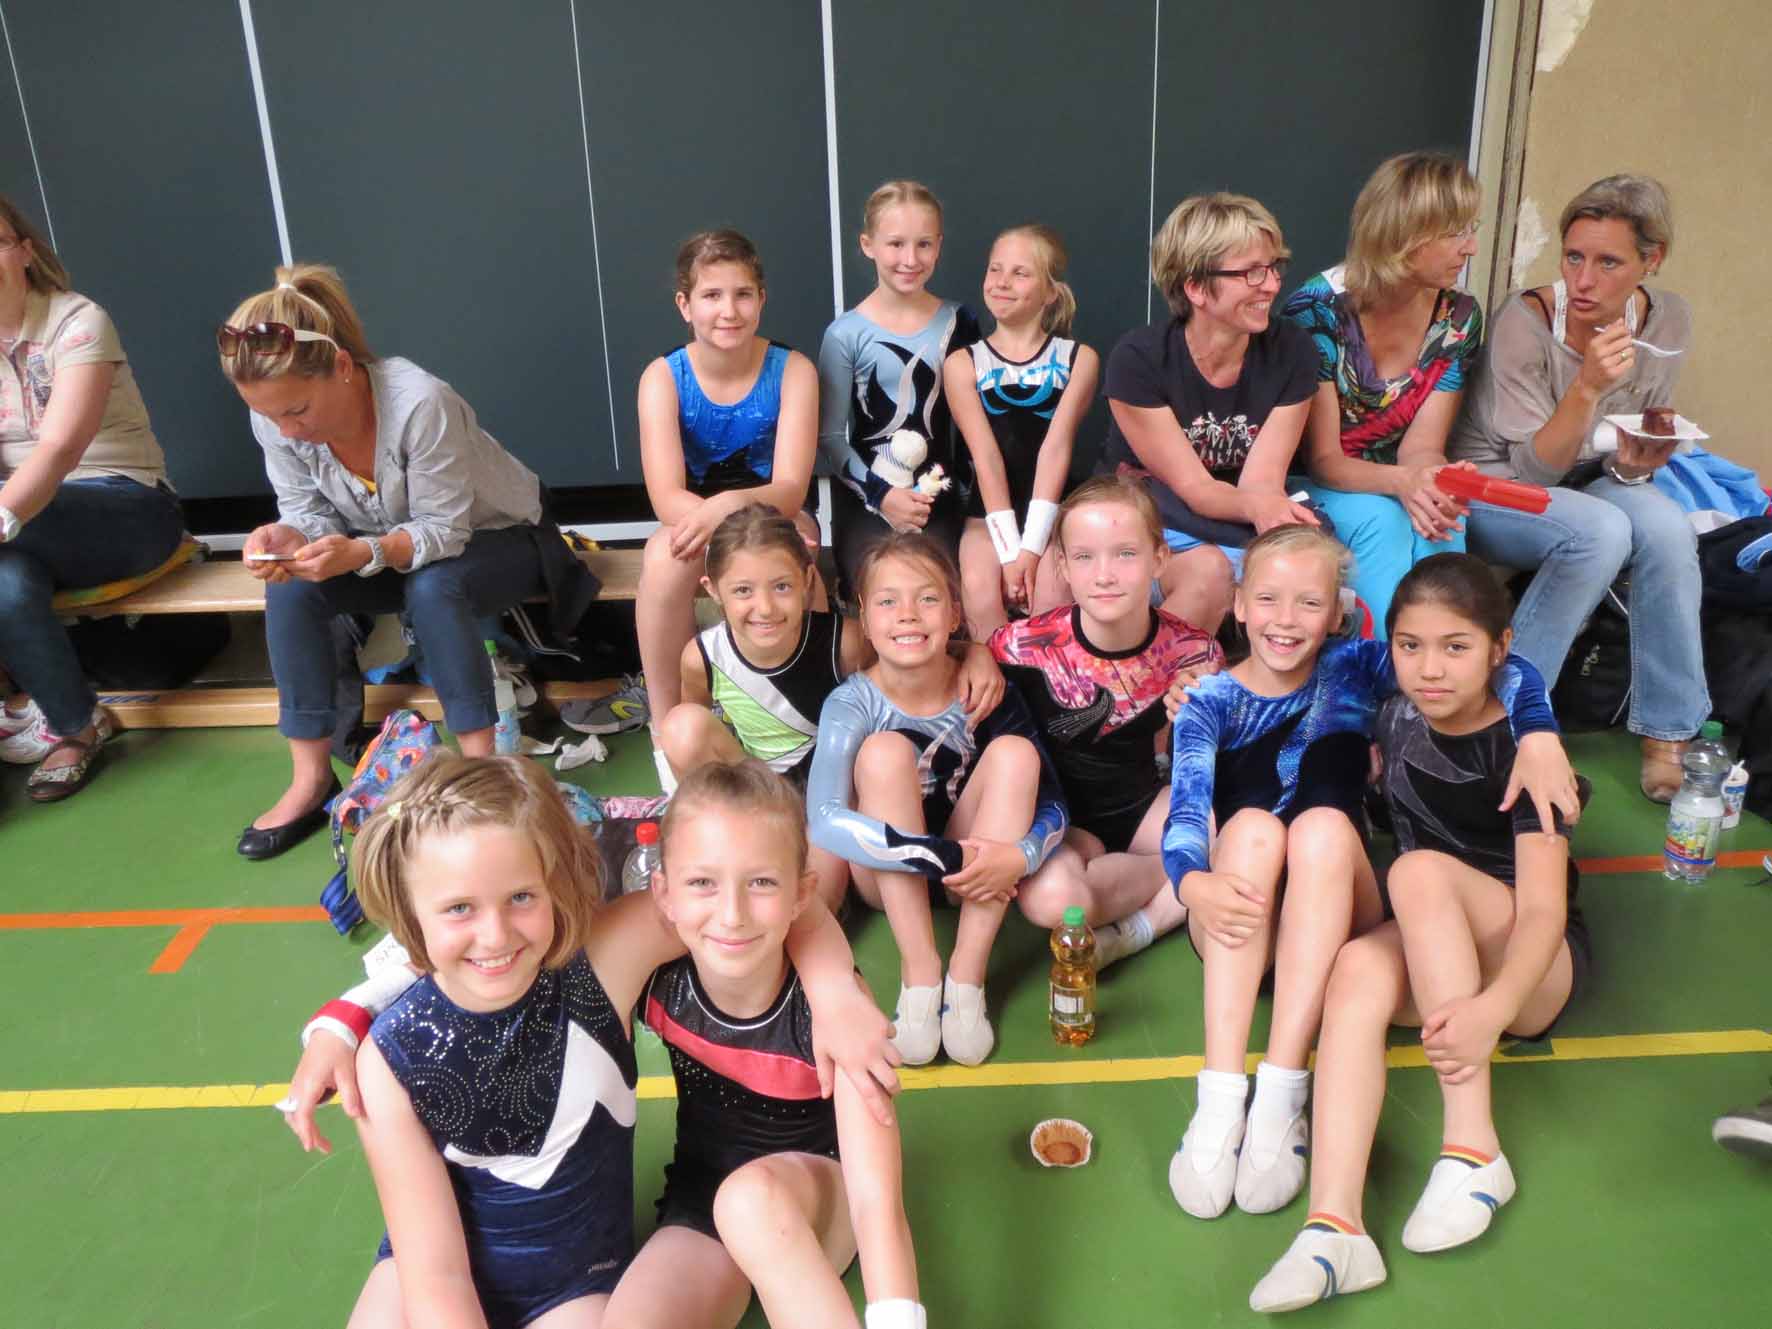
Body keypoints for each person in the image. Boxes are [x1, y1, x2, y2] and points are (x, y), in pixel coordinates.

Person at [285, 754, 895, 1328]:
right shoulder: (386, 1063)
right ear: (411, 911)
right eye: (460, 909)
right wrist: (343, 1019)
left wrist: (834, 989)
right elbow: (433, 1274)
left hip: (574, 1289)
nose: (495, 935)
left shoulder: (606, 958)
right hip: (425, 1275)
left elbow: (768, 903)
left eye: (521, 897)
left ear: (555, 884)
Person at [1162, 525, 1573, 1224]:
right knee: (1255, 828)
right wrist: (1190, 883)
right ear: (1239, 605)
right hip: (1238, 920)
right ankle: (1220, 1095)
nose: (1286, 619)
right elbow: (1186, 811)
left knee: (1321, 826)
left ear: (1338, 613)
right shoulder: (1207, 700)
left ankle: (1282, 1090)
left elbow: (1503, 663)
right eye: (1268, 599)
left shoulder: (1358, 667)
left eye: (1308, 602)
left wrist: (1536, 728)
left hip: (1333, 910)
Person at [1249, 554, 1585, 1313]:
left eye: (1456, 647)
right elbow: (1282, 675)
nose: (1430, 668)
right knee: (1354, 970)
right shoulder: (1393, 711)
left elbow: (1543, 913)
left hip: (1533, 967)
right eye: (1410, 645)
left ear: (1500, 649)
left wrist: (1493, 1009)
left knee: (1418, 872)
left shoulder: (1529, 750)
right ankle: (1335, 1229)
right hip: (1436, 943)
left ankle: (1473, 1147)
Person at [218, 264, 596, 859]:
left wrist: (362, 551)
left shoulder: (420, 401)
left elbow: (443, 531)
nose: (285, 430)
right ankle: (310, 781)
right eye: (271, 418)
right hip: (388, 549)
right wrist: (288, 537)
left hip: (502, 536)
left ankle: (485, 776)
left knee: (434, 586)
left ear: (342, 367)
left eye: (297, 411)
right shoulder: (276, 416)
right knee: (291, 587)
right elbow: (308, 510)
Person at [603, 761, 924, 1329]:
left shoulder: (836, 1011)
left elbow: (877, 1206)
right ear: (664, 894)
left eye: (762, 883)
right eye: (702, 883)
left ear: (803, 895)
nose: (732, 915)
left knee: (749, 1201)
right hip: (704, 1201)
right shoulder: (658, 980)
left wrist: (898, 1316)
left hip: (818, 1200)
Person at [1448, 174, 1708, 801]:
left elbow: (1616, 461)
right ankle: (1511, 721)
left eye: (1607, 262)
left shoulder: (1668, 320)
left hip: (1586, 485)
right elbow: (1535, 470)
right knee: (1601, 529)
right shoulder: (1526, 320)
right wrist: (1587, 386)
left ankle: (1669, 731)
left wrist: (1638, 465)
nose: (1583, 280)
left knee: (1668, 527)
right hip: (1492, 485)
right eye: (1572, 257)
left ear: (1651, 260)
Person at [658, 504, 1005, 912]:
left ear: (807, 581)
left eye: (781, 587)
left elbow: (906, 657)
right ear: (713, 589)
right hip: (763, 790)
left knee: (809, 908)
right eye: (743, 591)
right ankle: (737, 841)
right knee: (680, 727)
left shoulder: (846, 642)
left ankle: (819, 865)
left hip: (837, 790)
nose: (765, 608)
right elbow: (698, 752)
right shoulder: (701, 657)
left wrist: (976, 652)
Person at [808, 533, 1068, 1067]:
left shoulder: (987, 689)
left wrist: (1021, 857)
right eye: (888, 601)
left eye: (927, 599)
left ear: (954, 614)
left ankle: (967, 977)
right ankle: (921, 974)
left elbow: (1055, 803)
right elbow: (825, 820)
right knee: (883, 752)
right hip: (887, 877)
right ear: (864, 617)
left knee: (1017, 754)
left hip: (971, 875)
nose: (908, 614)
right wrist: (939, 856)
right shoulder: (852, 702)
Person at [991, 476, 1220, 968]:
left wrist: (1203, 712)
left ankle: (1136, 930)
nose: (1105, 575)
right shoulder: (1022, 645)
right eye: (1085, 557)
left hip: (1141, 806)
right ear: (1063, 567)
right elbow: (961, 665)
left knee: (1237, 835)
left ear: (1159, 559)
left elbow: (1221, 754)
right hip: (1060, 824)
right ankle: (1177, 873)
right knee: (1055, 902)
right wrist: (970, 656)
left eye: (1125, 554)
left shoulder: (1194, 651)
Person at [0, 194, 184, 799]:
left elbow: (60, 448)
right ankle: (77, 728)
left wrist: (2, 514)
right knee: (5, 583)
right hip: (21, 528)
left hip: (127, 508)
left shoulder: (78, 320)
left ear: (25, 252)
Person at [632, 231, 821, 786]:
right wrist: (718, 520)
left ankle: (804, 719)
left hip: (778, 515)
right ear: (685, 305)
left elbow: (791, 487)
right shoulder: (663, 378)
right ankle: (667, 727)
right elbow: (666, 496)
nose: (729, 311)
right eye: (712, 296)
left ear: (761, 299)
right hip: (691, 518)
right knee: (664, 559)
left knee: (796, 553)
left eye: (742, 294)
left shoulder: (793, 370)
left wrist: (734, 508)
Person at [1097, 192, 1317, 636]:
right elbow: (1196, 490)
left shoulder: (1291, 351)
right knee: (1212, 570)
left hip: (1234, 520)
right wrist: (1263, 511)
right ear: (1196, 287)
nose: (1271, 285)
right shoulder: (1139, 360)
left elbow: (1262, 482)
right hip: (1148, 519)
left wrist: (1272, 515)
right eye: (1252, 272)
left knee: (1298, 568)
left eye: (1274, 267)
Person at [1286, 151, 1485, 633]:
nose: (1472, 247)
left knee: (1444, 515)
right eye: (1456, 232)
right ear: (1405, 235)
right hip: (1316, 483)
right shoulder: (1318, 310)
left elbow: (1422, 446)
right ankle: (1376, 665)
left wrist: (1431, 478)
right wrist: (1404, 483)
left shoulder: (1458, 318)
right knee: (1382, 520)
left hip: (1395, 475)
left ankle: (1443, 663)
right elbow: (1324, 459)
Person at [818, 181, 980, 597]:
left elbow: (972, 432)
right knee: (882, 586)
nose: (910, 259)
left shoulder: (958, 322)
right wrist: (881, 495)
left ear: (939, 246)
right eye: (895, 244)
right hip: (867, 497)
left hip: (938, 495)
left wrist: (969, 506)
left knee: (937, 584)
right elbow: (831, 437)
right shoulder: (845, 334)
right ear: (868, 245)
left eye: (923, 244)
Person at [944, 224, 1098, 637]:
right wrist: (1010, 550)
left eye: (1020, 273)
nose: (1002, 282)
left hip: (1055, 513)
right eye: (995, 270)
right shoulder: (963, 363)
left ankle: (1045, 677)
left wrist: (1031, 548)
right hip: (987, 516)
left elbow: (1055, 449)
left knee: (1050, 594)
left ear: (1050, 292)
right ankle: (996, 675)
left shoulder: (1078, 359)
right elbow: (986, 456)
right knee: (980, 591)